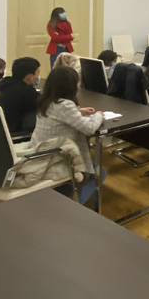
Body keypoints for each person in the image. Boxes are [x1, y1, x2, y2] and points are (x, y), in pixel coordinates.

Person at [32, 67, 103, 204]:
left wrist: (78, 111)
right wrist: (99, 115)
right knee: (99, 173)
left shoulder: (45, 100)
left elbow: (60, 115)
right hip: (55, 157)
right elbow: (89, 128)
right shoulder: (65, 105)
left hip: (39, 150)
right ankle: (71, 205)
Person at [0, 57, 41, 134]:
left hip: (0, 129)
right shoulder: (27, 92)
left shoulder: (6, 83)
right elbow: (43, 107)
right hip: (15, 131)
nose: (38, 77)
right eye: (37, 74)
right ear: (30, 76)